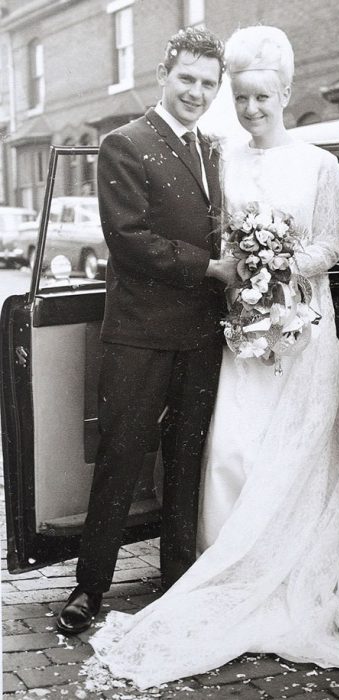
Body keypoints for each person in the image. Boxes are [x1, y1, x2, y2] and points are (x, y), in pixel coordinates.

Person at [84, 26, 339, 688]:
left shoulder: (318, 163)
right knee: (227, 455)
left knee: (287, 464)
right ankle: (205, 567)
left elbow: (329, 249)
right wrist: (240, 270)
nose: (250, 109)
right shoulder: (223, 158)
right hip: (239, 334)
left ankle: (270, 574)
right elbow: (198, 237)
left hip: (297, 332)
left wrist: (277, 264)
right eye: (242, 97)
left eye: (261, 97)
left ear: (284, 93)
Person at [56, 26, 238, 635]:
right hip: (139, 332)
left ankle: (178, 575)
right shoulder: (124, 143)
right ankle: (91, 586)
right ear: (164, 74)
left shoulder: (213, 148)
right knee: (123, 455)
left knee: (188, 455)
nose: (196, 91)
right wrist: (212, 267)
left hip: (201, 333)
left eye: (208, 83)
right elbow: (129, 240)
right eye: (187, 78)